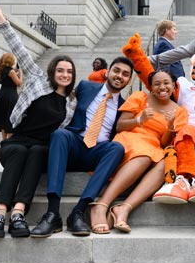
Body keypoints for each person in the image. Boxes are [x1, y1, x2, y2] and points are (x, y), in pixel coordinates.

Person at [0, 0, 77, 239]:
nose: (64, 75)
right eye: (60, 70)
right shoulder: (37, 79)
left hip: (41, 148)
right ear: (53, 71)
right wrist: (1, 18)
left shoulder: (71, 103)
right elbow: (19, 49)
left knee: (35, 152)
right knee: (20, 152)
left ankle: (18, 212)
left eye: (69, 72)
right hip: (16, 142)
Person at [30, 56, 134, 238]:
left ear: (129, 80)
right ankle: (53, 213)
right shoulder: (86, 87)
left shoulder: (124, 107)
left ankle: (78, 212)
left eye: (125, 74)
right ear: (108, 72)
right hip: (73, 144)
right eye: (116, 71)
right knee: (60, 134)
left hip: (96, 152)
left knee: (116, 148)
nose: (119, 76)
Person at [87, 69, 188, 234]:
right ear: (151, 88)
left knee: (164, 164)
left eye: (166, 83)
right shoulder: (141, 97)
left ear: (174, 86)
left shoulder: (179, 111)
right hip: (130, 138)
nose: (162, 87)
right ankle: (101, 204)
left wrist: (170, 126)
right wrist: (140, 120)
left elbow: (165, 143)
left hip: (154, 145)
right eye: (157, 84)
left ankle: (124, 208)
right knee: (144, 156)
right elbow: (120, 125)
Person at [0, 52, 22, 141]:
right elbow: (19, 83)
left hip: (2, 95)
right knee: (10, 118)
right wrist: (20, 74)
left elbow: (2, 78)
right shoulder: (11, 72)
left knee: (3, 119)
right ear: (11, 60)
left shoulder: (2, 70)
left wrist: (15, 71)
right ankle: (9, 142)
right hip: (11, 96)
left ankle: (4, 141)